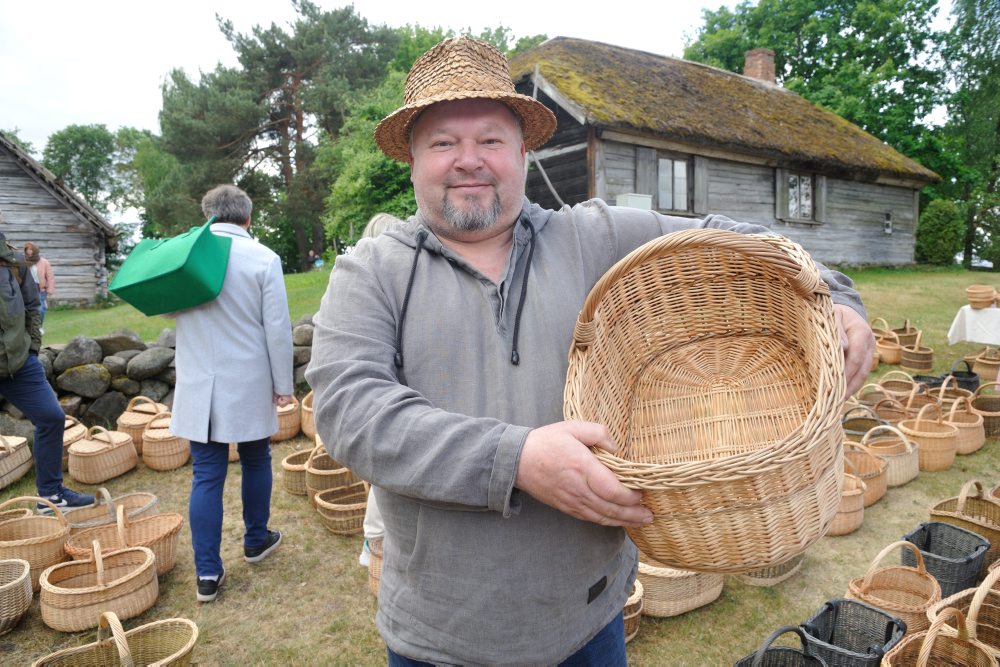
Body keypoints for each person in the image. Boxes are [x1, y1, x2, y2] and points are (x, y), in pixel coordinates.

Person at [307, 37, 875, 666]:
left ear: (523, 151)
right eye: (443, 142)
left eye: (491, 140)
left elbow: (740, 242)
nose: (469, 160)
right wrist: (516, 458)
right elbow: (352, 413)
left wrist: (840, 298)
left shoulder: (596, 237)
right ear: (412, 158)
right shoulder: (370, 273)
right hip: (440, 638)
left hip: (588, 625)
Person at [168, 185, 294, 603]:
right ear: (248, 218)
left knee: (206, 474)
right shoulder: (263, 258)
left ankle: (207, 573)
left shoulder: (186, 257)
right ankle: (256, 539)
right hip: (247, 381)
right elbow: (276, 328)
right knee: (256, 457)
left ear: (207, 216)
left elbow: (165, 310)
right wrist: (284, 386)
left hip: (198, 382)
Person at [0, 222, 93, 511]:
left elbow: (32, 308)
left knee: (52, 417)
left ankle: (51, 496)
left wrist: (33, 349)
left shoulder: (14, 262)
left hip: (19, 363)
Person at [353, 212, 402, 569]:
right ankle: (376, 544)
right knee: (389, 473)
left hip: (379, 388)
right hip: (388, 386)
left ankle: (375, 543)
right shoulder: (370, 276)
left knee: (383, 472)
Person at [23, 242, 54, 326]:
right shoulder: (24, 262)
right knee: (29, 309)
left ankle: (39, 326)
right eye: (27, 249)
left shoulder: (44, 262)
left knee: (40, 309)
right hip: (28, 289)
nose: (29, 251)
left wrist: (50, 290)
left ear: (35, 250)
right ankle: (31, 327)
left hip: (40, 289)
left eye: (30, 249)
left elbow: (50, 277)